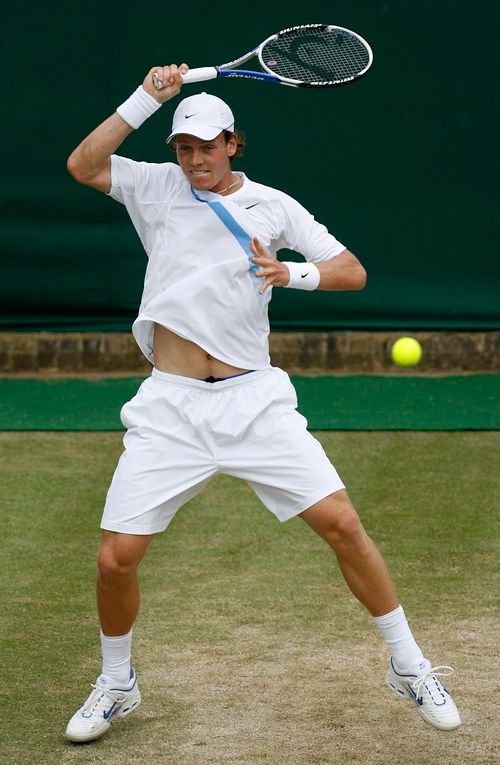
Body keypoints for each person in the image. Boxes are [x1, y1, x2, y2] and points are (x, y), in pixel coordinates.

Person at [64, 63, 460, 743]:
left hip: (255, 402)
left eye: (207, 147)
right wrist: (147, 98)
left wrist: (291, 273)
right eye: (184, 148)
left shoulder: (274, 205)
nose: (195, 160)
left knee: (342, 523)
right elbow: (82, 163)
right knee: (114, 558)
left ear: (232, 144)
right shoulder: (156, 188)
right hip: (172, 409)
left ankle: (408, 663)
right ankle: (117, 682)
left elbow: (351, 269)